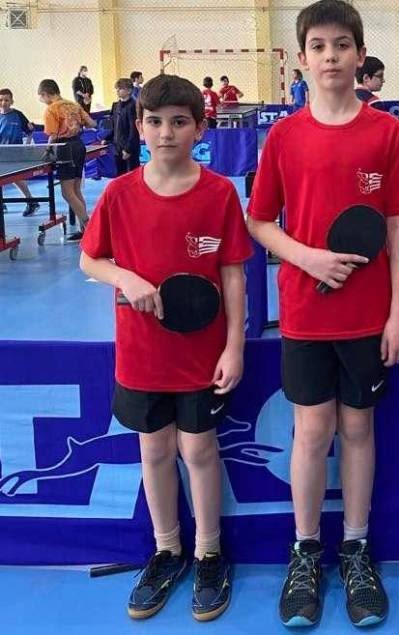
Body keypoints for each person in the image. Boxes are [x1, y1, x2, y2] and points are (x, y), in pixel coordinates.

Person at [246, 0, 399, 627]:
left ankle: (356, 547)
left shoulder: (387, 133)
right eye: (318, 47)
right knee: (312, 430)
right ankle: (305, 551)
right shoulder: (284, 137)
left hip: (368, 318)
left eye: (341, 45)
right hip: (305, 314)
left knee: (358, 429)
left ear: (360, 55)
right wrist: (308, 257)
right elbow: (260, 220)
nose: (330, 57)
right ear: (301, 58)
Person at [79, 74, 252, 622]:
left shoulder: (219, 194)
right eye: (154, 122)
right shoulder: (119, 194)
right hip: (141, 355)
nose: (166, 132)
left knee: (199, 451)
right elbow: (90, 259)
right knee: (154, 451)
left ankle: (209, 554)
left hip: (202, 357)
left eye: (179, 122)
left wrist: (234, 346)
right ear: (139, 127)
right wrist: (124, 277)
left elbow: (233, 277)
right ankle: (167, 550)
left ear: (200, 129)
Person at [354, 55, 399, 273]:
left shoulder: (350, 100)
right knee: (391, 215)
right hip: (376, 168)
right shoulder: (374, 102)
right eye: (379, 77)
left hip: (358, 168)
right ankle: (397, 257)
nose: (383, 81)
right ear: (366, 78)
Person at [38, 79, 95, 241]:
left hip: (65, 148)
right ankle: (84, 229)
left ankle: (89, 227)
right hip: (79, 145)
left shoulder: (51, 109)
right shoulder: (73, 104)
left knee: (67, 193)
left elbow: (52, 135)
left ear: (45, 94)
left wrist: (47, 150)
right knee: (76, 190)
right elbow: (92, 123)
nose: (41, 100)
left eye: (41, 97)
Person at [0, 88, 39, 216]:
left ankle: (31, 201)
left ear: (12, 101)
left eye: (6, 100)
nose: (3, 103)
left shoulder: (18, 115)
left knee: (15, 178)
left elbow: (30, 131)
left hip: (15, 152)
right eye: (1, 100)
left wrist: (27, 146)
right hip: (1, 152)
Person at [106, 78, 140, 176]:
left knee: (132, 175)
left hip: (130, 147)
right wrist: (107, 138)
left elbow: (134, 130)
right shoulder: (115, 105)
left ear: (129, 90)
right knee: (120, 175)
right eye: (117, 88)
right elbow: (113, 125)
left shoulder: (133, 106)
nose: (117, 90)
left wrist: (128, 149)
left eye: (120, 88)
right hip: (118, 146)